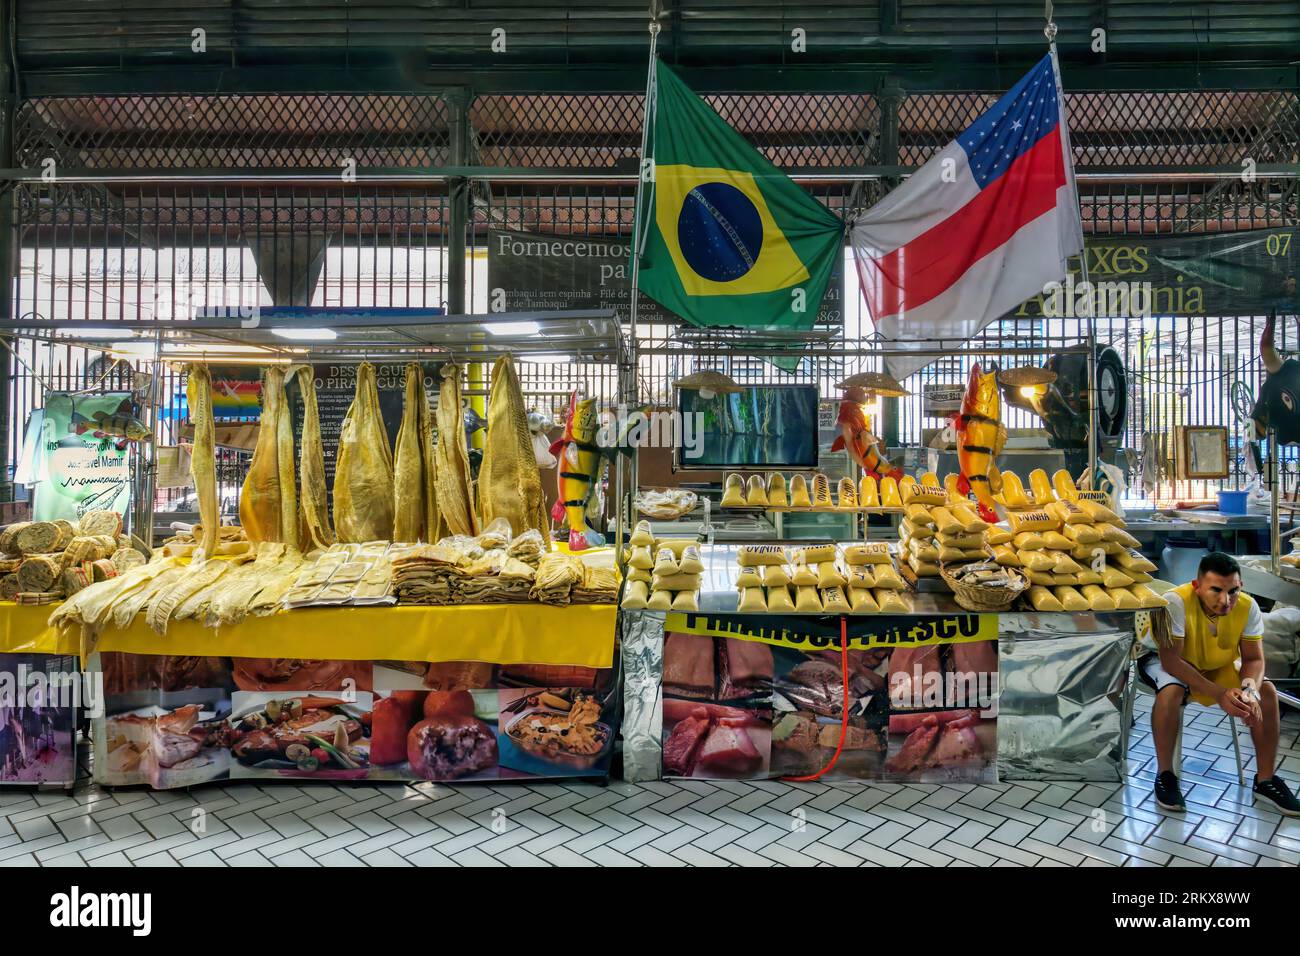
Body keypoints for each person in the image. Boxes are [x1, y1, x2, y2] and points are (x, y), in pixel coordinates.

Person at [1137, 551, 1298, 815]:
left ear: (1241, 586)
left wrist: (1249, 690)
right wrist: (1220, 694)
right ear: (1197, 586)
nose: (1225, 600)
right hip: (1163, 659)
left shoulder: (1248, 607)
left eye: (1233, 591)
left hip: (1215, 663)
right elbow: (1171, 661)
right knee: (1171, 691)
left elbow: (1254, 659)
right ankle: (1165, 775)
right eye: (1216, 590)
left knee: (1266, 691)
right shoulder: (1174, 602)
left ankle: (1266, 780)